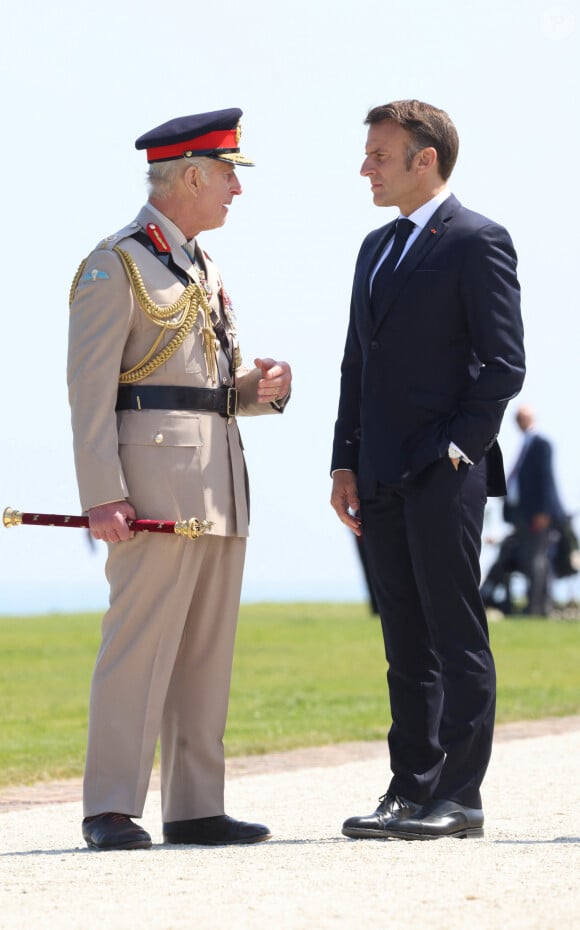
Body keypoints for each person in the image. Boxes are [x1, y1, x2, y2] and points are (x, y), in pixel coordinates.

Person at [67, 108, 292, 851]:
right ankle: (109, 806)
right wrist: (101, 493)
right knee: (138, 646)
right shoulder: (116, 263)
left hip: (219, 482)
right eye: (229, 175)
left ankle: (196, 805)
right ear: (191, 175)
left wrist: (258, 392)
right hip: (152, 489)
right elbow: (90, 390)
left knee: (205, 649)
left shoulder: (201, 265)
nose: (236, 189)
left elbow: (204, 389)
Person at [330, 100, 525, 841]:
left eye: (379, 155)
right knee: (404, 642)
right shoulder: (373, 248)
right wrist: (343, 463)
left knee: (454, 633)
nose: (365, 169)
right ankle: (408, 789)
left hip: (445, 473)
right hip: (376, 473)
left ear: (425, 159)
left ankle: (461, 797)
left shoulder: (478, 241)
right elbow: (358, 366)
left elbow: (505, 363)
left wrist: (458, 449)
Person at [501, 405, 567, 615]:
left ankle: (537, 607)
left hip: (537, 515)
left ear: (531, 419)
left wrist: (543, 512)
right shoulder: (525, 445)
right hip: (522, 513)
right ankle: (537, 605)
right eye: (517, 419)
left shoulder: (541, 444)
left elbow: (546, 480)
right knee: (531, 559)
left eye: (522, 418)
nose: (519, 422)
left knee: (537, 560)